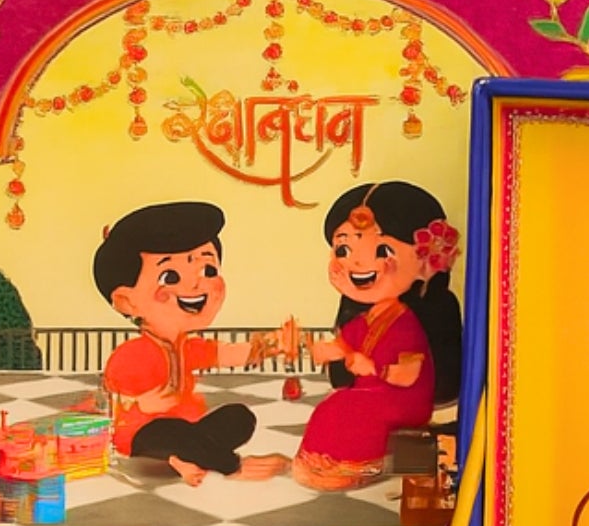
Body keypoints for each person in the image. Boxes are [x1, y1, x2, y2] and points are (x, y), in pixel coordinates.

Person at [241, 181, 461, 490]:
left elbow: (409, 373)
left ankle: (357, 466)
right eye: (343, 249)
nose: (356, 263)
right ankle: (321, 464)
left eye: (381, 250)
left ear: (425, 262)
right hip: (371, 393)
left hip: (403, 398)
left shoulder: (408, 320)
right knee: (333, 405)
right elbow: (341, 349)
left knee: (354, 408)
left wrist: (374, 369)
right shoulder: (363, 318)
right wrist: (302, 345)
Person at [93, 201, 267, 485]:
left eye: (208, 270)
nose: (196, 285)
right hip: (142, 434)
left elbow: (228, 354)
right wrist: (141, 404)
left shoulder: (187, 347)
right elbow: (110, 403)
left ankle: (184, 457)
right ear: (126, 301)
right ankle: (228, 464)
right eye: (170, 276)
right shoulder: (131, 354)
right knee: (167, 432)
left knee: (239, 417)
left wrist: (271, 345)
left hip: (188, 426)